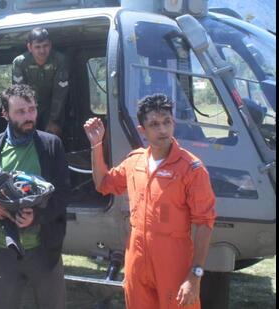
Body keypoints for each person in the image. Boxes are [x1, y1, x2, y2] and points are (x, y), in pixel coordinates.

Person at [83, 93, 216, 309]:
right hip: (136, 256)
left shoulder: (191, 168)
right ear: (142, 130)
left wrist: (195, 275)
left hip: (173, 259)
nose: (163, 130)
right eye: (154, 124)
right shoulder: (134, 161)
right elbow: (103, 184)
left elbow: (204, 223)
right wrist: (96, 145)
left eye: (167, 122)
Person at [0, 84, 70, 309]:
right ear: (5, 114)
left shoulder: (50, 145)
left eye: (32, 109)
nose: (29, 116)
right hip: (3, 252)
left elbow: (63, 194)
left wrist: (35, 216)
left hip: (44, 249)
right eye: (20, 112)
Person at [12, 27, 69, 136]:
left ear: (50, 45)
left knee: (53, 137)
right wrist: (26, 119)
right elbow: (19, 94)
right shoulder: (20, 62)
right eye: (37, 47)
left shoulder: (60, 60)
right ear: (30, 47)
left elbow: (60, 93)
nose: (42, 51)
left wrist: (54, 120)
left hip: (53, 106)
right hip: (29, 106)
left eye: (45, 46)